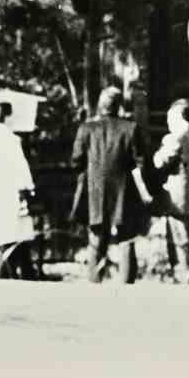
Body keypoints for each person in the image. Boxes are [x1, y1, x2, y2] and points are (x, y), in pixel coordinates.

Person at [71, 86, 149, 284]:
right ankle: (126, 286)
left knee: (96, 238)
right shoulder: (131, 128)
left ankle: (94, 282)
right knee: (126, 239)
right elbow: (140, 162)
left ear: (100, 106)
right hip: (124, 190)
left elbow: (76, 161)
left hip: (95, 190)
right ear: (119, 106)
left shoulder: (86, 129)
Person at [148, 98, 189, 280]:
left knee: (179, 247)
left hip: (177, 201)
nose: (168, 122)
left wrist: (160, 149)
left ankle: (185, 280)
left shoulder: (176, 137)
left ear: (178, 116)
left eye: (169, 117)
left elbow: (159, 162)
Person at [0, 96, 40, 279]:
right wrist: (28, 188)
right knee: (16, 233)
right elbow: (20, 168)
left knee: (10, 234)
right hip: (12, 192)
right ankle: (9, 272)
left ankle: (25, 270)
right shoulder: (10, 139)